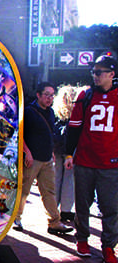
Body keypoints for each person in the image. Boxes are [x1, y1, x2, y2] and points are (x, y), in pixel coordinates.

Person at [65, 55, 118, 263]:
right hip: (85, 160)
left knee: (110, 207)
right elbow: (74, 127)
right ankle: (82, 239)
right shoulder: (85, 95)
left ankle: (108, 247)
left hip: (111, 163)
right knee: (82, 204)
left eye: (99, 72)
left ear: (111, 74)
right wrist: (69, 154)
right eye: (93, 72)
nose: (95, 76)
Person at [13, 82, 73, 234]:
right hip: (32, 159)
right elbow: (20, 134)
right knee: (23, 190)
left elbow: (50, 134)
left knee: (49, 192)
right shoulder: (29, 112)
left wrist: (51, 151)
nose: (49, 98)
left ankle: (54, 222)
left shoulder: (51, 112)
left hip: (47, 159)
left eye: (52, 95)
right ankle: (16, 218)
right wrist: (27, 152)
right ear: (38, 95)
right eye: (46, 94)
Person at [52, 84, 79, 222]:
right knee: (69, 180)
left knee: (56, 178)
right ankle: (66, 210)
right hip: (72, 149)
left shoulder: (55, 111)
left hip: (57, 147)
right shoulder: (77, 111)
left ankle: (53, 209)